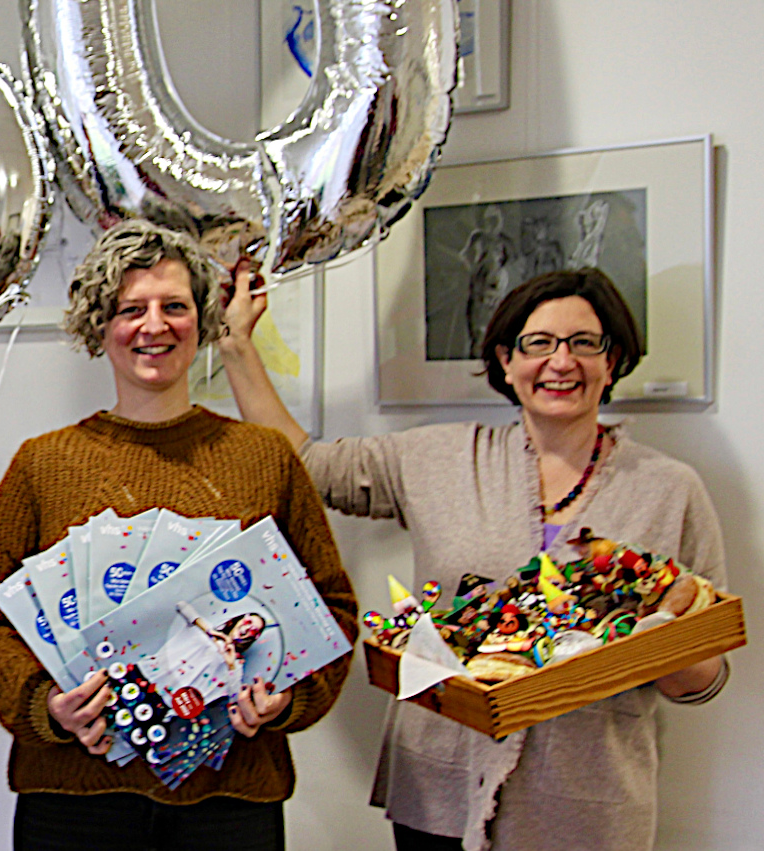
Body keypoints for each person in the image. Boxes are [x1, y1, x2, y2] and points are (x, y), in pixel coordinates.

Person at [217, 265, 728, 851]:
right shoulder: (439, 457)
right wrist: (236, 346)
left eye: (585, 343)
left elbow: (702, 678)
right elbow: (305, 462)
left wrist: (671, 643)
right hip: (438, 787)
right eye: (538, 344)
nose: (561, 362)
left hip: (587, 805)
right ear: (505, 361)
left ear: (613, 362)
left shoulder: (669, 490)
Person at [0, 219, 356, 851]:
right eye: (130, 309)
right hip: (73, 795)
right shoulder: (43, 463)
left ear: (203, 321)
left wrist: (290, 696)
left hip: (231, 795)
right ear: (100, 327)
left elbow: (331, 608)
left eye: (175, 306)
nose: (154, 326)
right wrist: (45, 707)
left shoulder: (265, 458)